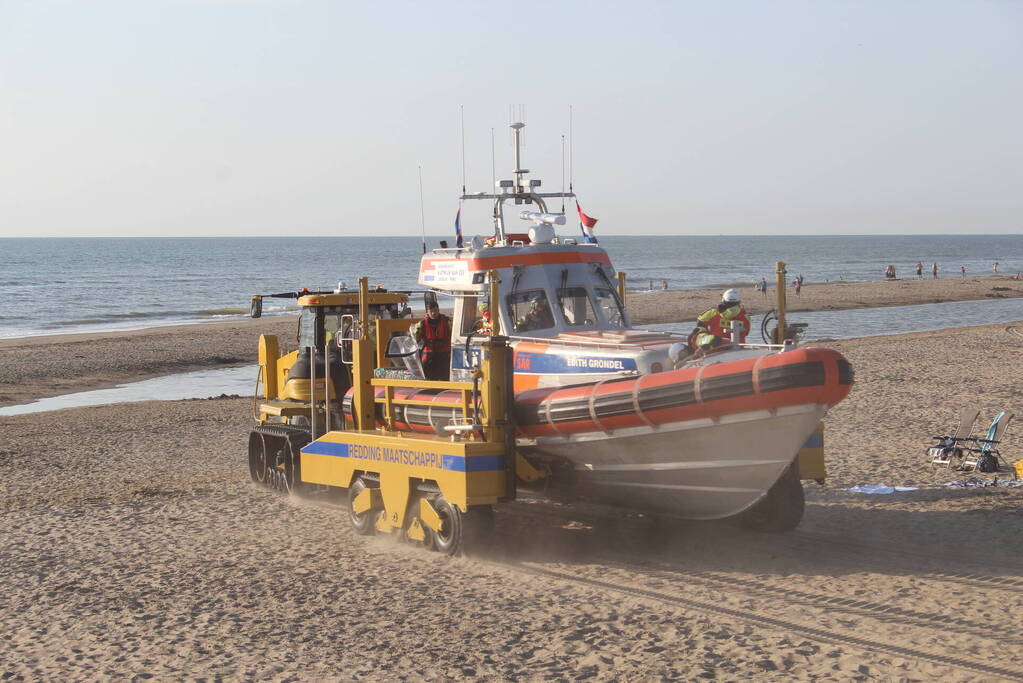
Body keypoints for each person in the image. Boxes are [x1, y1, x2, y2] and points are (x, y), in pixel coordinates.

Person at [413, 301, 451, 381]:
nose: (434, 313)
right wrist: (415, 332)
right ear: (427, 312)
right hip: (429, 355)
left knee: (444, 377)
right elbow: (416, 340)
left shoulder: (447, 321)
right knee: (427, 376)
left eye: (436, 311)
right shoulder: (422, 324)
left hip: (444, 354)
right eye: (431, 311)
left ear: (438, 310)